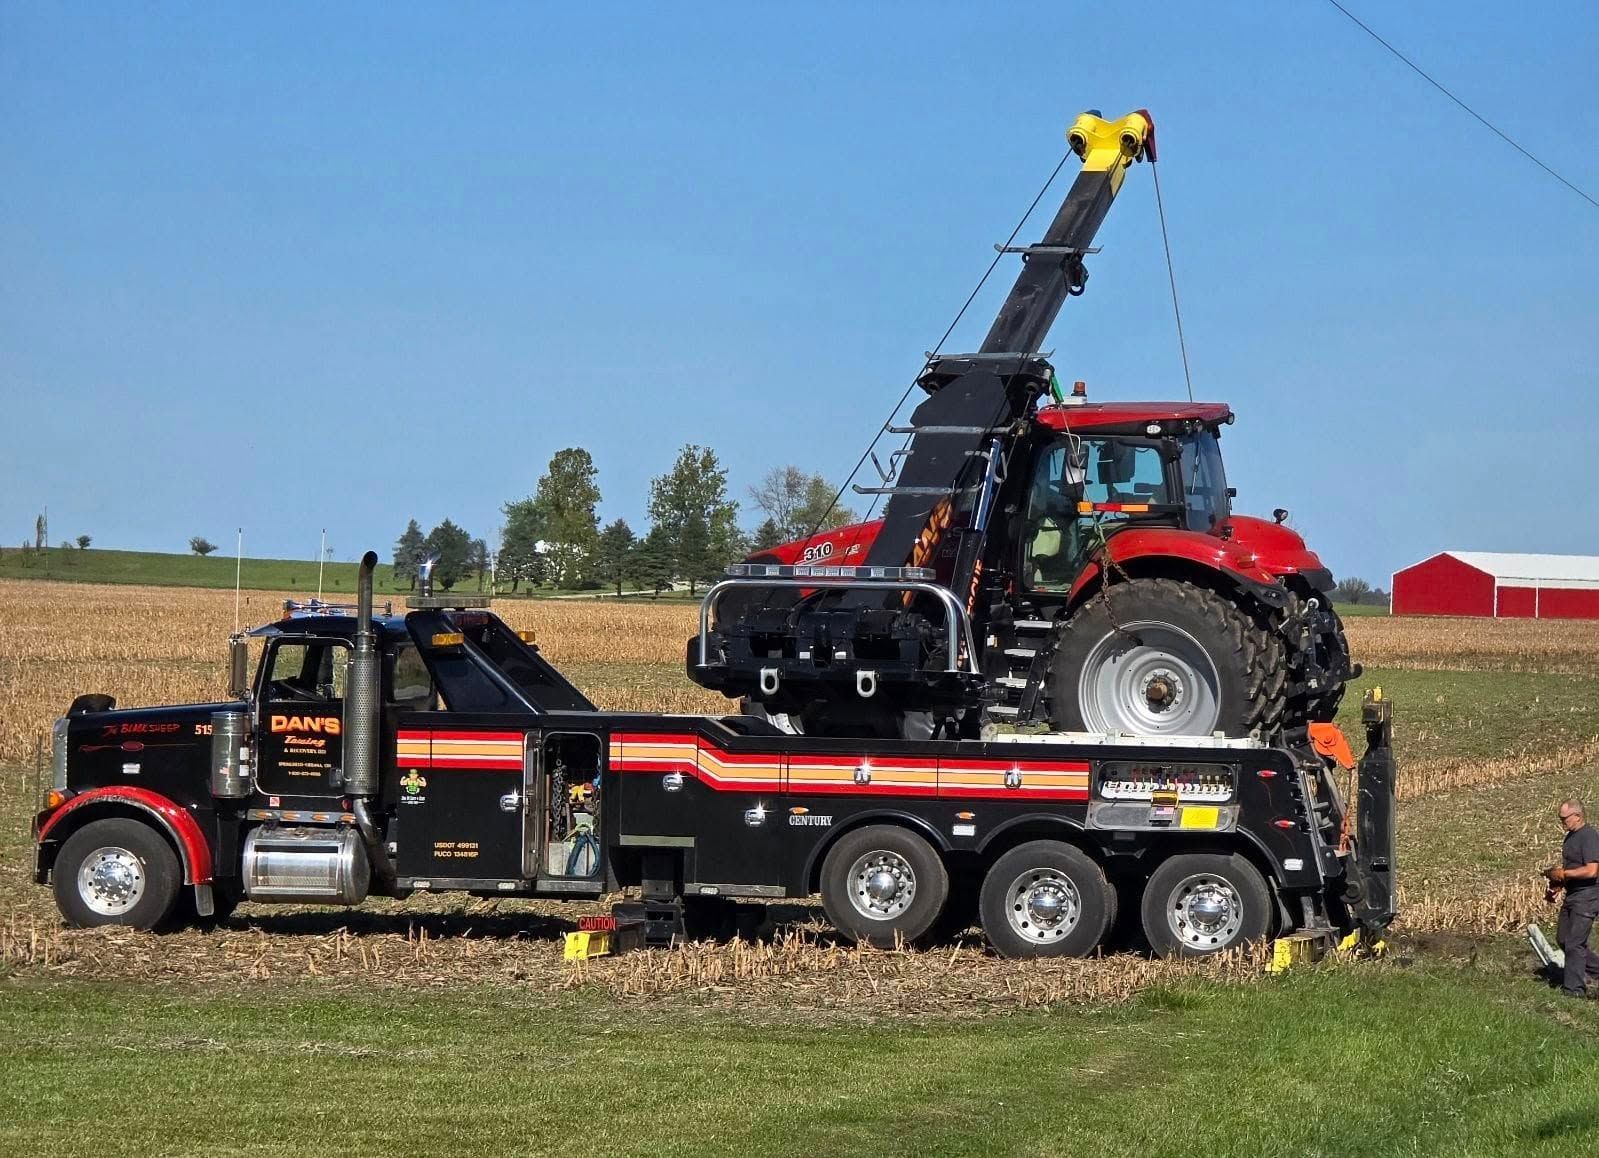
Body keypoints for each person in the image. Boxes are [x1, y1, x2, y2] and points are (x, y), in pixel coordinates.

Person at [1544, 798, 1599, 997]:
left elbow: (1592, 870)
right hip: (1573, 894)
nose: (1562, 822)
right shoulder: (1570, 838)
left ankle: (1573, 990)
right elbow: (1571, 869)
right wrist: (1557, 885)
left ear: (1577, 816)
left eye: (1564, 818)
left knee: (1575, 942)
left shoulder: (1589, 836)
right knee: (1564, 939)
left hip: (1589, 896)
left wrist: (1564, 874)